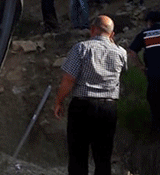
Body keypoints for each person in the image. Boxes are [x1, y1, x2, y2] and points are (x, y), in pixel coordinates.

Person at [54, 15, 127, 175]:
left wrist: (59, 101)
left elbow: (68, 79)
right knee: (103, 156)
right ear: (112, 34)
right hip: (108, 107)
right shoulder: (121, 52)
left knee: (78, 156)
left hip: (83, 106)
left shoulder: (81, 48)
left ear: (92, 29)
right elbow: (123, 73)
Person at [128, 11, 160, 134]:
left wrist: (141, 67)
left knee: (155, 102)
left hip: (153, 74)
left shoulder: (145, 34)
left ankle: (155, 131)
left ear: (149, 22)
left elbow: (132, 51)